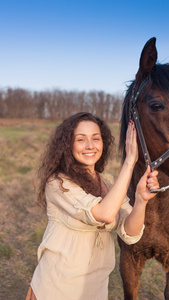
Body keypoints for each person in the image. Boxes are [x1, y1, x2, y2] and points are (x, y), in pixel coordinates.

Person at [26, 112, 159, 300]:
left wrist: (141, 200)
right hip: (58, 285)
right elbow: (103, 214)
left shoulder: (109, 182)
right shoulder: (58, 183)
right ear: (68, 145)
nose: (90, 146)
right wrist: (129, 162)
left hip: (96, 286)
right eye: (81, 139)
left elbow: (130, 234)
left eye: (96, 139)